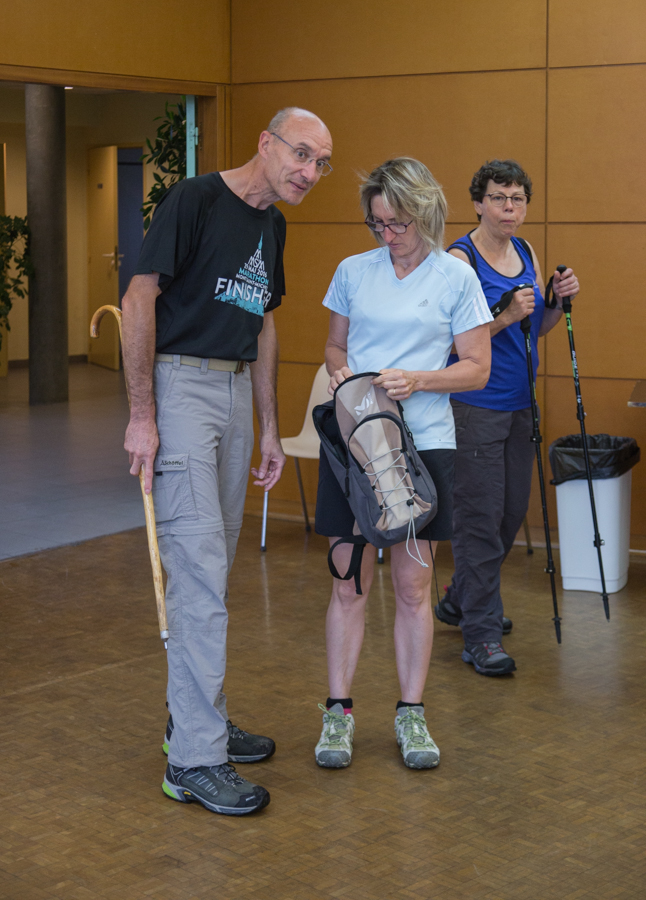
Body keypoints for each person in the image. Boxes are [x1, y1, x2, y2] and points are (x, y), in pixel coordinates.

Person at [121, 107, 333, 815]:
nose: (309, 172)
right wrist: (143, 415)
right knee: (198, 573)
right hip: (182, 387)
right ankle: (194, 760)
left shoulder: (273, 225)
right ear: (266, 143)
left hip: (237, 392)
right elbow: (138, 299)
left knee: (212, 570)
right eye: (301, 154)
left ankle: (194, 718)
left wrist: (270, 425)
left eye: (321, 164)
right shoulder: (195, 199)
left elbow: (263, 323)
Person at [314, 157, 492, 770]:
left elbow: (477, 367)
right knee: (348, 583)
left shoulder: (455, 277)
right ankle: (338, 713)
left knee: (414, 587)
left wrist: (417, 379)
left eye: (397, 223)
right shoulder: (352, 271)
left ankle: (411, 714)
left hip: (425, 446)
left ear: (425, 213)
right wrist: (342, 372)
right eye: (377, 224)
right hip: (356, 444)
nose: (387, 235)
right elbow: (335, 344)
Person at [435, 159, 580, 676]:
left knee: (510, 513)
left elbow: (534, 328)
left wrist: (556, 303)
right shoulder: (460, 259)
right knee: (478, 520)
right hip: (475, 405)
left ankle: (461, 597)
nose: (509, 208)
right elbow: (453, 343)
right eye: (498, 197)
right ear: (478, 203)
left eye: (517, 199)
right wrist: (506, 315)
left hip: (521, 404)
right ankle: (481, 634)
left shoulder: (525, 252)